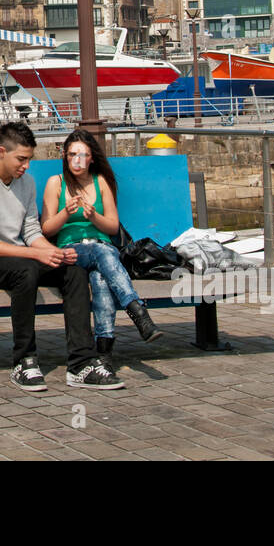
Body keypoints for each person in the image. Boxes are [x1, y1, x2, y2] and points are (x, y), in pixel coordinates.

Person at [0, 122, 122, 392]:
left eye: (29, 160)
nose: (26, 166)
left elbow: (31, 230)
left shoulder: (27, 183)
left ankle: (82, 363)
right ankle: (24, 360)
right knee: (27, 271)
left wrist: (53, 252)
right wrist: (36, 254)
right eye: (21, 159)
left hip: (20, 257)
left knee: (73, 268)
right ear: (2, 151)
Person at [41, 128, 163, 376]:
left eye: (83, 155)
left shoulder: (101, 182)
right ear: (65, 156)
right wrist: (67, 212)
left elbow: (112, 226)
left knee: (101, 280)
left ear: (91, 158)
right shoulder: (56, 183)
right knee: (102, 253)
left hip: (102, 249)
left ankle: (104, 354)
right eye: (73, 154)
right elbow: (46, 228)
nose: (78, 160)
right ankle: (137, 311)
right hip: (72, 250)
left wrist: (93, 216)